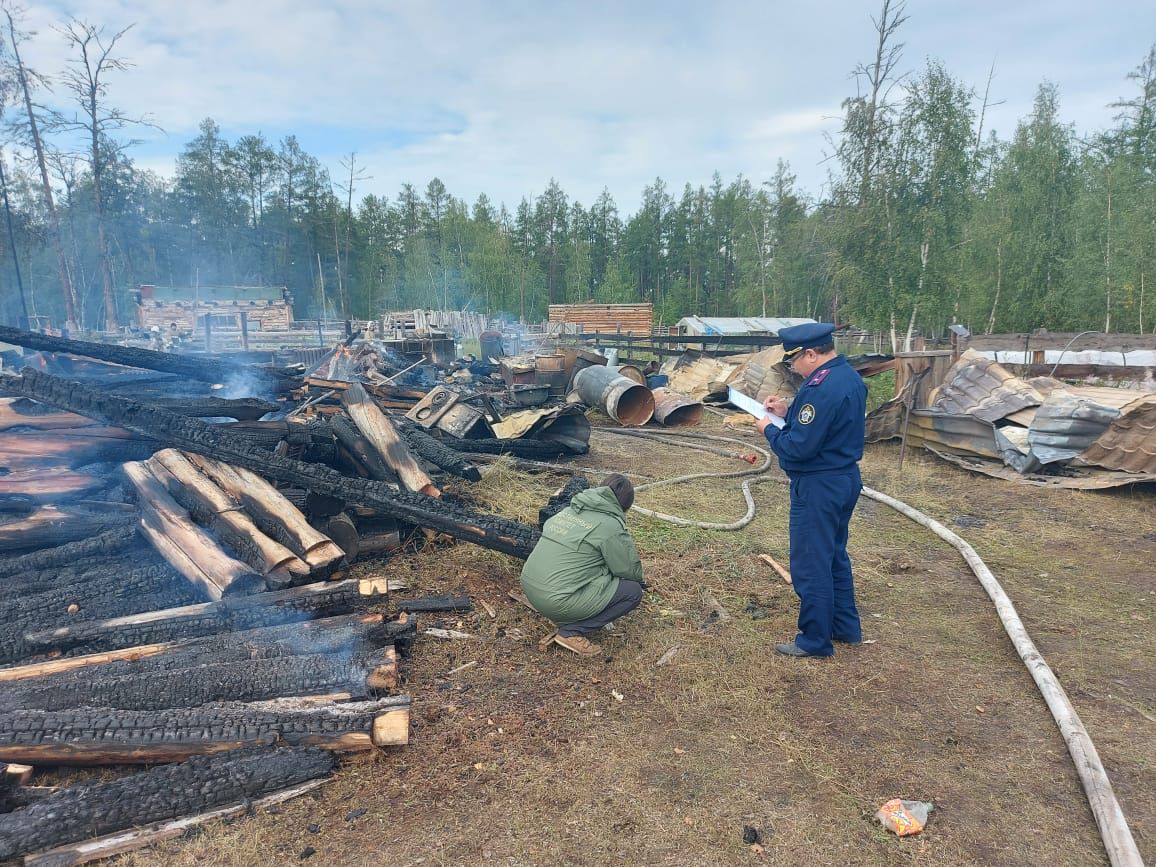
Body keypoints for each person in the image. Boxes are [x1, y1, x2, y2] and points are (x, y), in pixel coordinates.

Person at [756, 322, 867, 658]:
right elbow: (827, 422)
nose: (793, 369)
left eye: (794, 363)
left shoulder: (820, 388)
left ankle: (814, 639)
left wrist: (768, 430)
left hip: (819, 485)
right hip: (844, 478)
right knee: (834, 554)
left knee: (811, 562)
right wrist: (788, 410)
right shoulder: (847, 377)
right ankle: (845, 627)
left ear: (811, 354)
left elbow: (798, 447)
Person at [519, 473, 645, 657]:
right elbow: (629, 570)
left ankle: (568, 613)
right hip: (556, 600)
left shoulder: (569, 511)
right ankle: (572, 631)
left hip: (530, 588)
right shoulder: (610, 526)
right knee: (632, 592)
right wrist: (642, 581)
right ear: (625, 505)